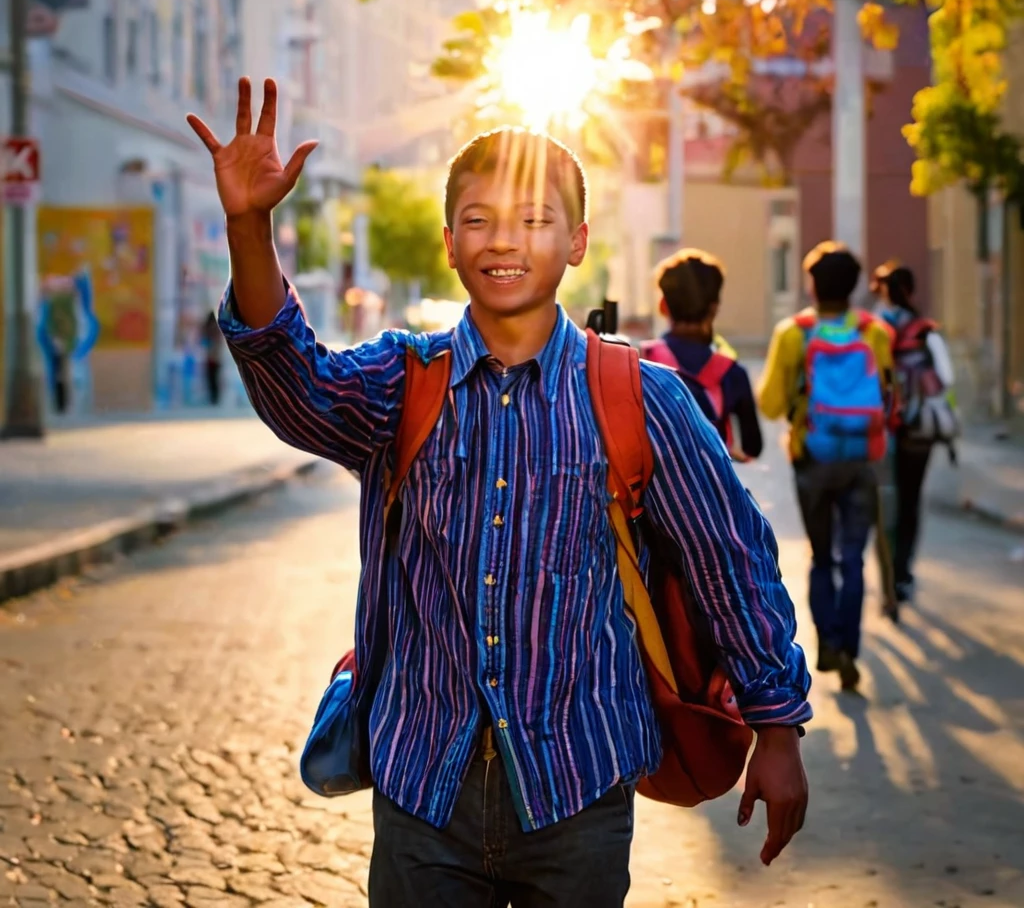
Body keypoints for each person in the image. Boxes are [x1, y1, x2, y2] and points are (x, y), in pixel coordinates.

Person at [187, 78, 811, 907]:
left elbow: (729, 558)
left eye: (533, 220)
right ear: (450, 241)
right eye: (478, 220)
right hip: (423, 790)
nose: (503, 241)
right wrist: (248, 227)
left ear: (578, 239)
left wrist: (777, 727)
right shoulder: (401, 381)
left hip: (579, 788)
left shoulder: (638, 395)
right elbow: (297, 388)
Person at [758, 241, 895, 693]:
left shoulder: (793, 334)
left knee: (821, 556)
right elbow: (889, 396)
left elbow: (772, 403)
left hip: (812, 458)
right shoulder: (875, 332)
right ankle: (851, 648)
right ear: (855, 286)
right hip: (860, 457)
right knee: (853, 557)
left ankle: (828, 643)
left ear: (811, 284)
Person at [871, 261, 956, 603]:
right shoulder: (925, 332)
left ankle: (886, 574)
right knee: (909, 501)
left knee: (881, 504)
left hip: (880, 430)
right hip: (917, 430)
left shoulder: (873, 328)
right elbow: (946, 379)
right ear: (911, 291)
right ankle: (903, 573)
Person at [642, 248, 763, 462]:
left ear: (663, 306)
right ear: (714, 308)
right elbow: (753, 447)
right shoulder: (732, 373)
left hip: (651, 491)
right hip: (710, 491)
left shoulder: (640, 360)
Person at [201, 309, 224, 406]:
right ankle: (215, 397)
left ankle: (213, 397)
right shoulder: (216, 329)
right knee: (215, 378)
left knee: (210, 378)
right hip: (216, 358)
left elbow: (203, 342)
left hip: (209, 357)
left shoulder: (207, 329)